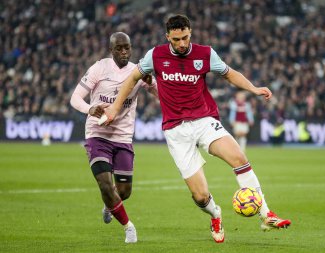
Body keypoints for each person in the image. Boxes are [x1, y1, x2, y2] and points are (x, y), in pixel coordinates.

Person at [102, 15, 291, 243]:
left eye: (185, 37)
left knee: (239, 157)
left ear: (190, 32)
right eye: (176, 39)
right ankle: (216, 214)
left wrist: (253, 88)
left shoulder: (205, 54)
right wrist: (114, 108)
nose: (181, 44)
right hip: (176, 131)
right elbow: (132, 79)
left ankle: (266, 214)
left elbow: (230, 73)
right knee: (200, 196)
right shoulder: (155, 55)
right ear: (168, 37)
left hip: (204, 121)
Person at [70, 32, 157, 244]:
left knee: (124, 192)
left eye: (127, 47)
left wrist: (152, 84)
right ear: (112, 50)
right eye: (119, 48)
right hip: (97, 136)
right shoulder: (99, 68)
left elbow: (162, 95)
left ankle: (110, 205)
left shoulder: (137, 71)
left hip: (123, 137)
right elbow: (74, 98)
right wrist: (90, 109)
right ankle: (129, 227)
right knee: (105, 185)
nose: (124, 51)